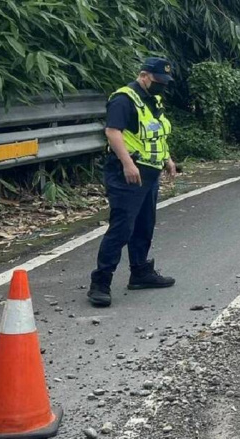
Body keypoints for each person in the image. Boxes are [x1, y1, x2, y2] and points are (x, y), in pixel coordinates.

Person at [88, 57, 178, 307]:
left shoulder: (153, 99)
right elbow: (112, 132)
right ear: (144, 75)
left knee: (144, 225)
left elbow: (157, 134)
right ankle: (100, 283)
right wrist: (127, 163)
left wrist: (168, 159)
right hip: (126, 173)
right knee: (122, 228)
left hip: (149, 173)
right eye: (158, 80)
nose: (162, 85)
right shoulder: (123, 99)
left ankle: (140, 272)